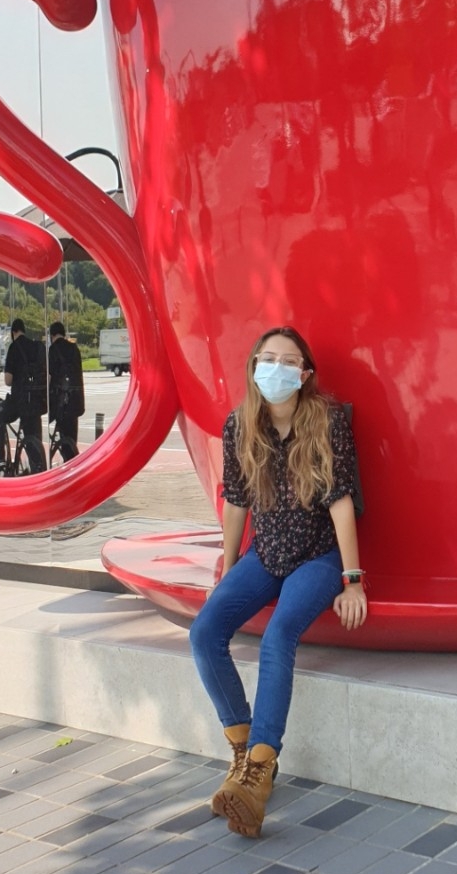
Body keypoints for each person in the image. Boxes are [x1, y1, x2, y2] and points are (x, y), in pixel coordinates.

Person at [188, 326, 367, 839]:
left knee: (278, 634)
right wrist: (225, 569)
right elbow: (236, 502)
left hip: (317, 557)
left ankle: (260, 773)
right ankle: (242, 752)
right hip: (265, 554)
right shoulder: (239, 424)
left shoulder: (327, 421)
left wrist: (352, 580)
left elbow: (340, 501)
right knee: (205, 633)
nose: (277, 368)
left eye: (289, 361)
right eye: (267, 358)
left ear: (304, 374)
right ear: (253, 366)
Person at [0, 318, 47, 473]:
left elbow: (8, 381)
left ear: (13, 332)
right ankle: (38, 469)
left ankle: (1, 457)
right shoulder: (36, 347)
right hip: (37, 401)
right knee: (33, 438)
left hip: (19, 402)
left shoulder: (14, 348)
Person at [47, 320, 85, 461]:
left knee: (63, 437)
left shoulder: (53, 349)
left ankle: (68, 464)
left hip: (62, 401)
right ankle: (74, 462)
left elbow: (50, 376)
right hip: (76, 399)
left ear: (52, 335)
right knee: (72, 437)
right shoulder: (74, 348)